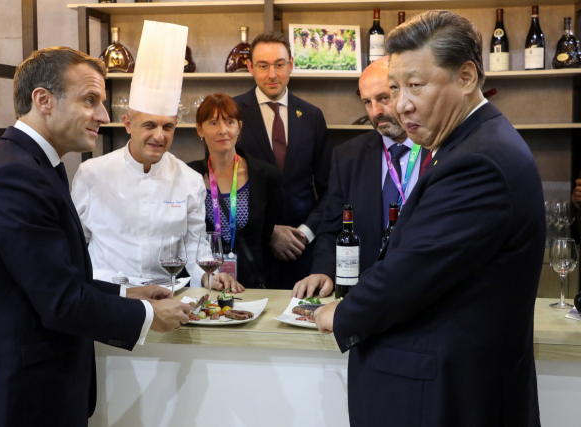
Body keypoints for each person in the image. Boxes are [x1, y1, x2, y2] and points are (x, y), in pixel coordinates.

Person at [315, 11, 545, 427]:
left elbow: (411, 271)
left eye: (416, 86)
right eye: (395, 88)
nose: (401, 105)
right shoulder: (471, 143)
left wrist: (341, 315)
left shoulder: (479, 160)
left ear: (466, 77)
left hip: (448, 397)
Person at [0, 46, 191, 427]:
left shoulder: (35, 167)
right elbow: (61, 301)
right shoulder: (14, 176)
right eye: (90, 100)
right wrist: (148, 314)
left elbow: (50, 278)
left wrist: (125, 293)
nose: (102, 114)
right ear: (43, 100)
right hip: (18, 396)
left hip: (36, 388)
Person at [71, 22, 239, 292]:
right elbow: (75, 243)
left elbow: (196, 247)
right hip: (109, 296)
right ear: (128, 124)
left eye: (168, 127)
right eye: (149, 125)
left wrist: (210, 276)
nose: (159, 136)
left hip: (167, 295)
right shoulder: (92, 173)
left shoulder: (189, 180)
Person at [292, 57, 429, 299]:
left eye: (383, 98)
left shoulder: (441, 150)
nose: (376, 111)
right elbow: (332, 229)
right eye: (367, 102)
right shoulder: (346, 157)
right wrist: (324, 272)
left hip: (425, 291)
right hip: (364, 294)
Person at [233, 31, 333, 289]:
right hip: (250, 250)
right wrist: (270, 232)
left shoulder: (312, 116)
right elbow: (221, 188)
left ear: (291, 64)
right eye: (263, 66)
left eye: (279, 64)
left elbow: (330, 188)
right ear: (250, 67)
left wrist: (304, 234)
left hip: (302, 251)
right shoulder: (231, 114)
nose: (272, 74)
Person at [188, 93, 283, 289]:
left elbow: (267, 233)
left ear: (239, 127)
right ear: (199, 129)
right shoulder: (188, 176)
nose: (223, 130)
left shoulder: (266, 176)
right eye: (213, 123)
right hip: (204, 285)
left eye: (229, 122)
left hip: (253, 285)